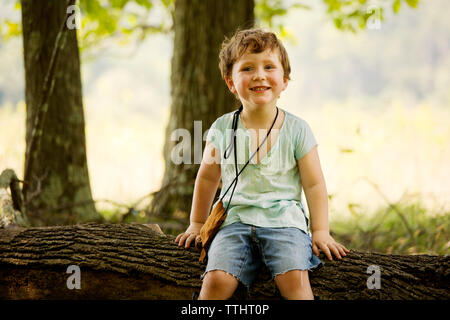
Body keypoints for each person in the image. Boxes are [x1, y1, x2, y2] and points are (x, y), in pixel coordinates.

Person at [175, 28, 349, 300]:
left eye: (269, 66)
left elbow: (314, 184)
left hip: (285, 223)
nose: (259, 75)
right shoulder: (222, 128)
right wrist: (197, 223)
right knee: (217, 281)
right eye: (247, 68)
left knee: (294, 280)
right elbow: (208, 178)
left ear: (284, 80)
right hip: (235, 221)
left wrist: (320, 231)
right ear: (231, 82)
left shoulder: (297, 129)